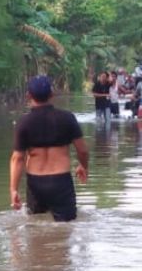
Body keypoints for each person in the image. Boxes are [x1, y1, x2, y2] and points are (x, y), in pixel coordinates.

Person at [9, 75, 89, 222]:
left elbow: (17, 158)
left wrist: (13, 189)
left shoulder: (24, 122)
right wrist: (83, 166)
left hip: (35, 183)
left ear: (28, 95)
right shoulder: (67, 118)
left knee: (35, 229)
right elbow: (82, 150)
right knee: (66, 229)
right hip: (61, 181)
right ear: (52, 95)